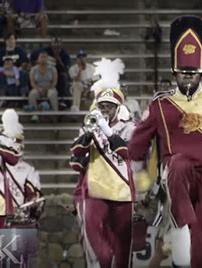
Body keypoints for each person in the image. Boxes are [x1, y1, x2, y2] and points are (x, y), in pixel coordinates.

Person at [128, 16, 202, 267]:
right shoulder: (160, 104)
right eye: (183, 73)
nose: (188, 77)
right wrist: (141, 182)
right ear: (174, 71)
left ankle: (189, 240)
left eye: (192, 73)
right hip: (177, 176)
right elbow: (136, 145)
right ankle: (181, 229)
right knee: (179, 164)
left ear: (201, 72)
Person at [70, 58, 135, 267]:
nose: (105, 110)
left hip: (122, 190)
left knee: (123, 250)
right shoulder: (90, 127)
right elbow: (75, 160)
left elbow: (127, 152)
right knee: (100, 248)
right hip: (95, 190)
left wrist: (106, 131)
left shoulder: (129, 127)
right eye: (102, 106)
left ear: (118, 108)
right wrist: (88, 135)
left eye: (109, 106)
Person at [30, 36, 71, 103]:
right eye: (54, 43)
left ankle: (62, 100)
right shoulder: (45, 50)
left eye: (58, 43)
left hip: (58, 72)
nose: (56, 45)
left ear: (61, 44)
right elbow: (34, 54)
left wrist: (58, 57)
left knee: (63, 77)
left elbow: (65, 68)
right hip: (46, 71)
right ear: (50, 43)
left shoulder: (64, 54)